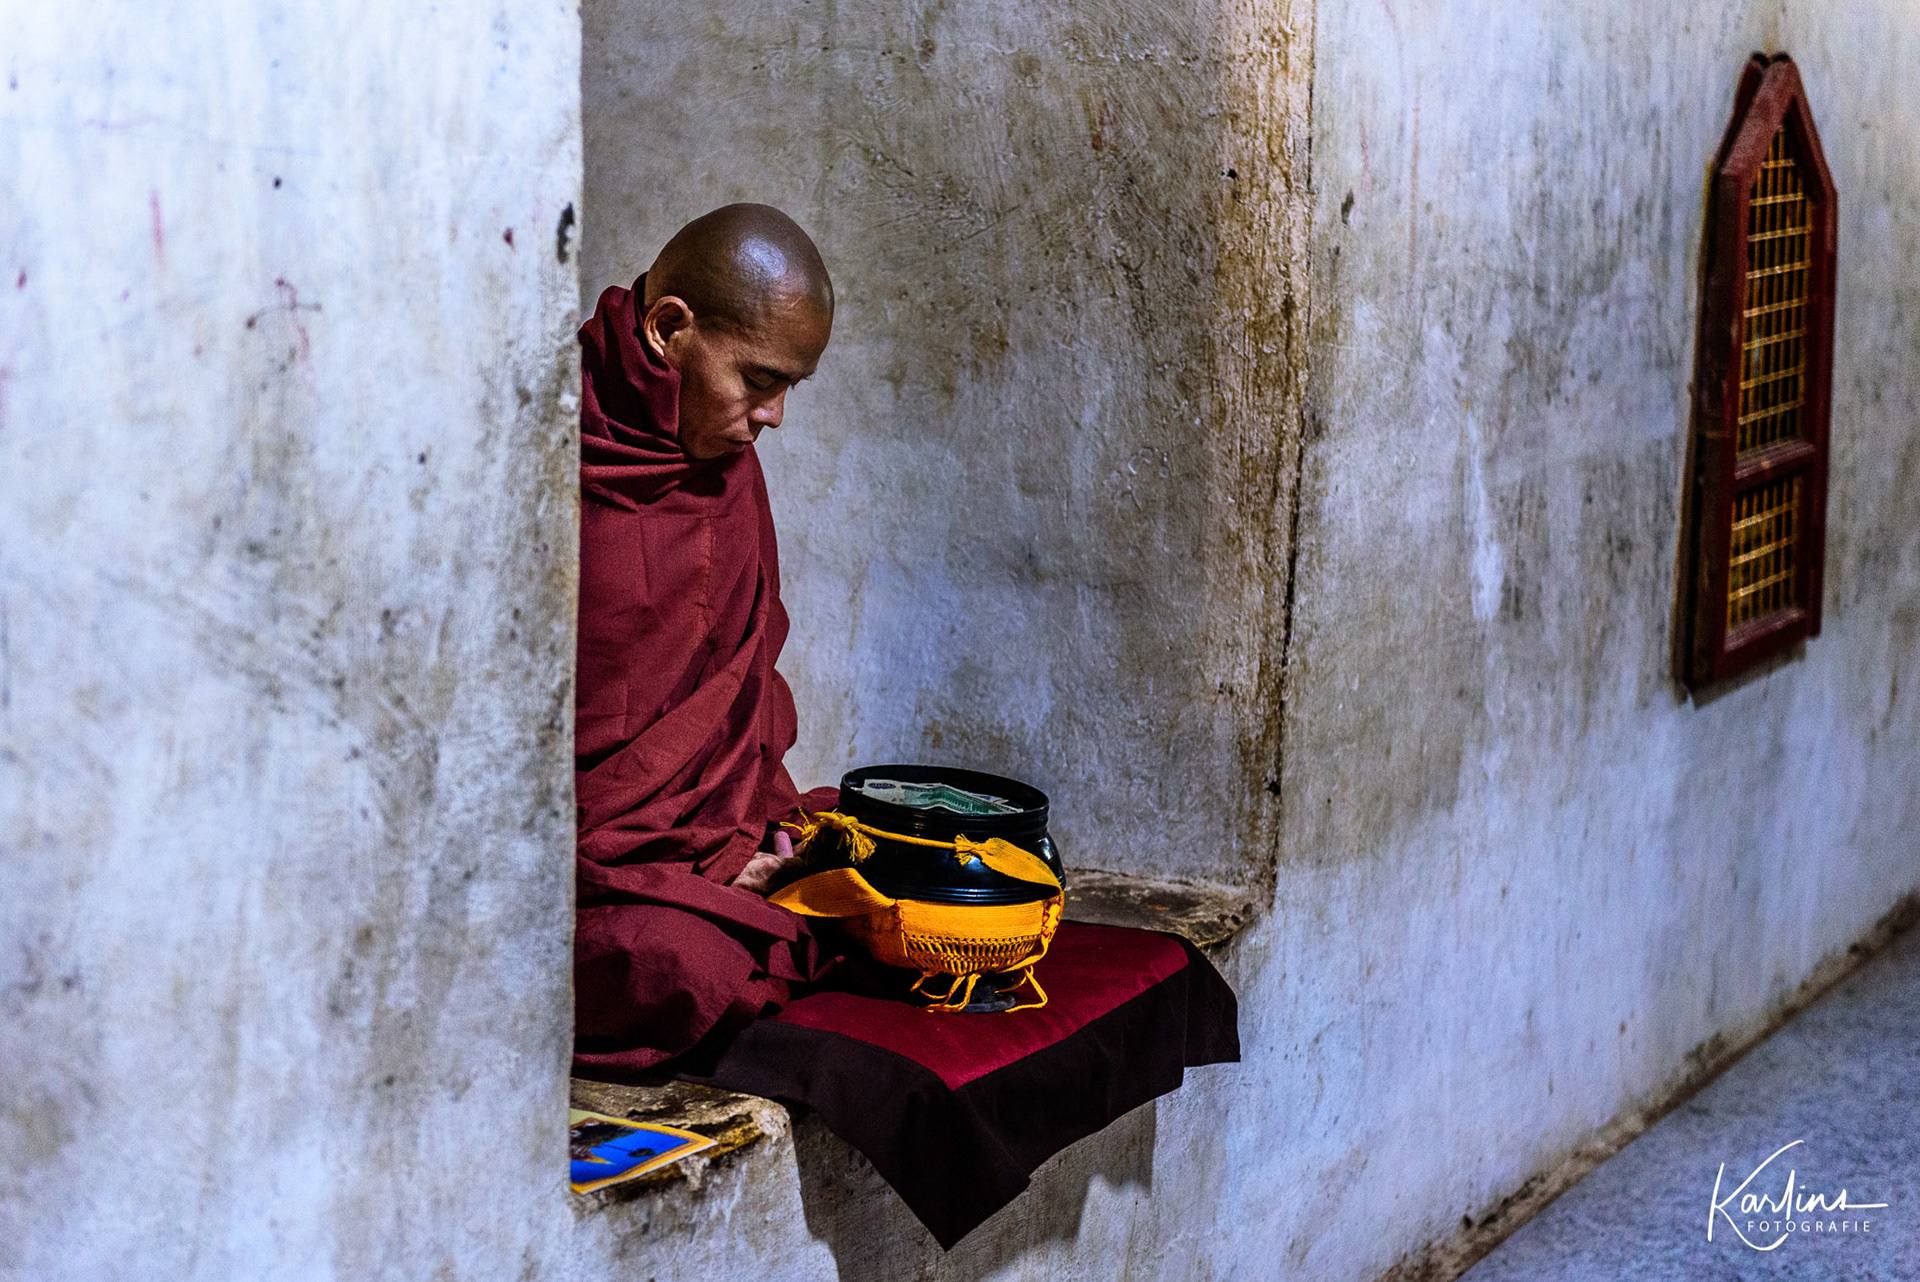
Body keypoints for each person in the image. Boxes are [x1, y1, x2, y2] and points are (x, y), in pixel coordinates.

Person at [571, 204, 837, 1075]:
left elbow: (741, 688)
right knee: (683, 965)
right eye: (759, 379)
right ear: (669, 328)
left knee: (882, 869)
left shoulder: (728, 470)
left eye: (791, 386)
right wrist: (677, 867)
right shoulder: (535, 448)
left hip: (689, 842)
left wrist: (753, 832)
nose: (775, 416)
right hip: (572, 870)